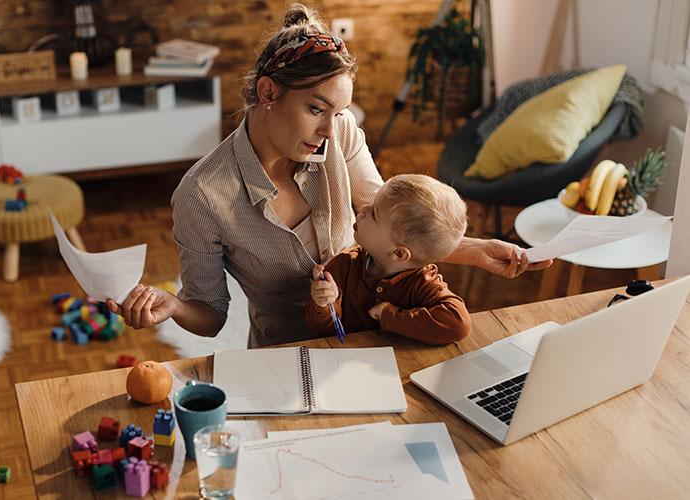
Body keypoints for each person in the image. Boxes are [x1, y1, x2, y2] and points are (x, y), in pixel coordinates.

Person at [107, 3, 551, 348]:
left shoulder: (339, 132)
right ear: (268, 92)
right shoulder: (202, 196)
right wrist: (175, 308)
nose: (329, 129)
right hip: (285, 355)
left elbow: (392, 220)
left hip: (371, 343)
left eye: (337, 113)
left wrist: (474, 252)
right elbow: (211, 315)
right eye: (317, 109)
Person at [304, 174, 471, 344]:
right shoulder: (343, 265)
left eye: (374, 214)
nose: (362, 210)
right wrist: (323, 304)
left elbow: (458, 324)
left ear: (398, 253)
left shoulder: (424, 282)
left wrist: (390, 316)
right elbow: (320, 328)